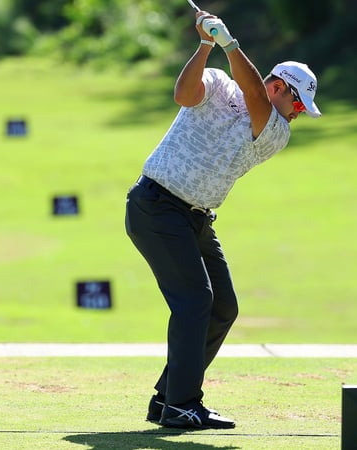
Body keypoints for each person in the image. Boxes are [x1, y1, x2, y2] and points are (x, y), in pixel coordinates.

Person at [124, 10, 321, 429]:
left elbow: (253, 96)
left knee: (222, 306)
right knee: (196, 301)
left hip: (195, 218)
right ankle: (182, 404)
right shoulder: (217, 82)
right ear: (279, 87)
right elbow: (183, 94)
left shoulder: (275, 130)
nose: (299, 113)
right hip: (155, 205)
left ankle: (167, 399)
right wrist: (206, 45)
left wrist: (230, 44)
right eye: (299, 102)